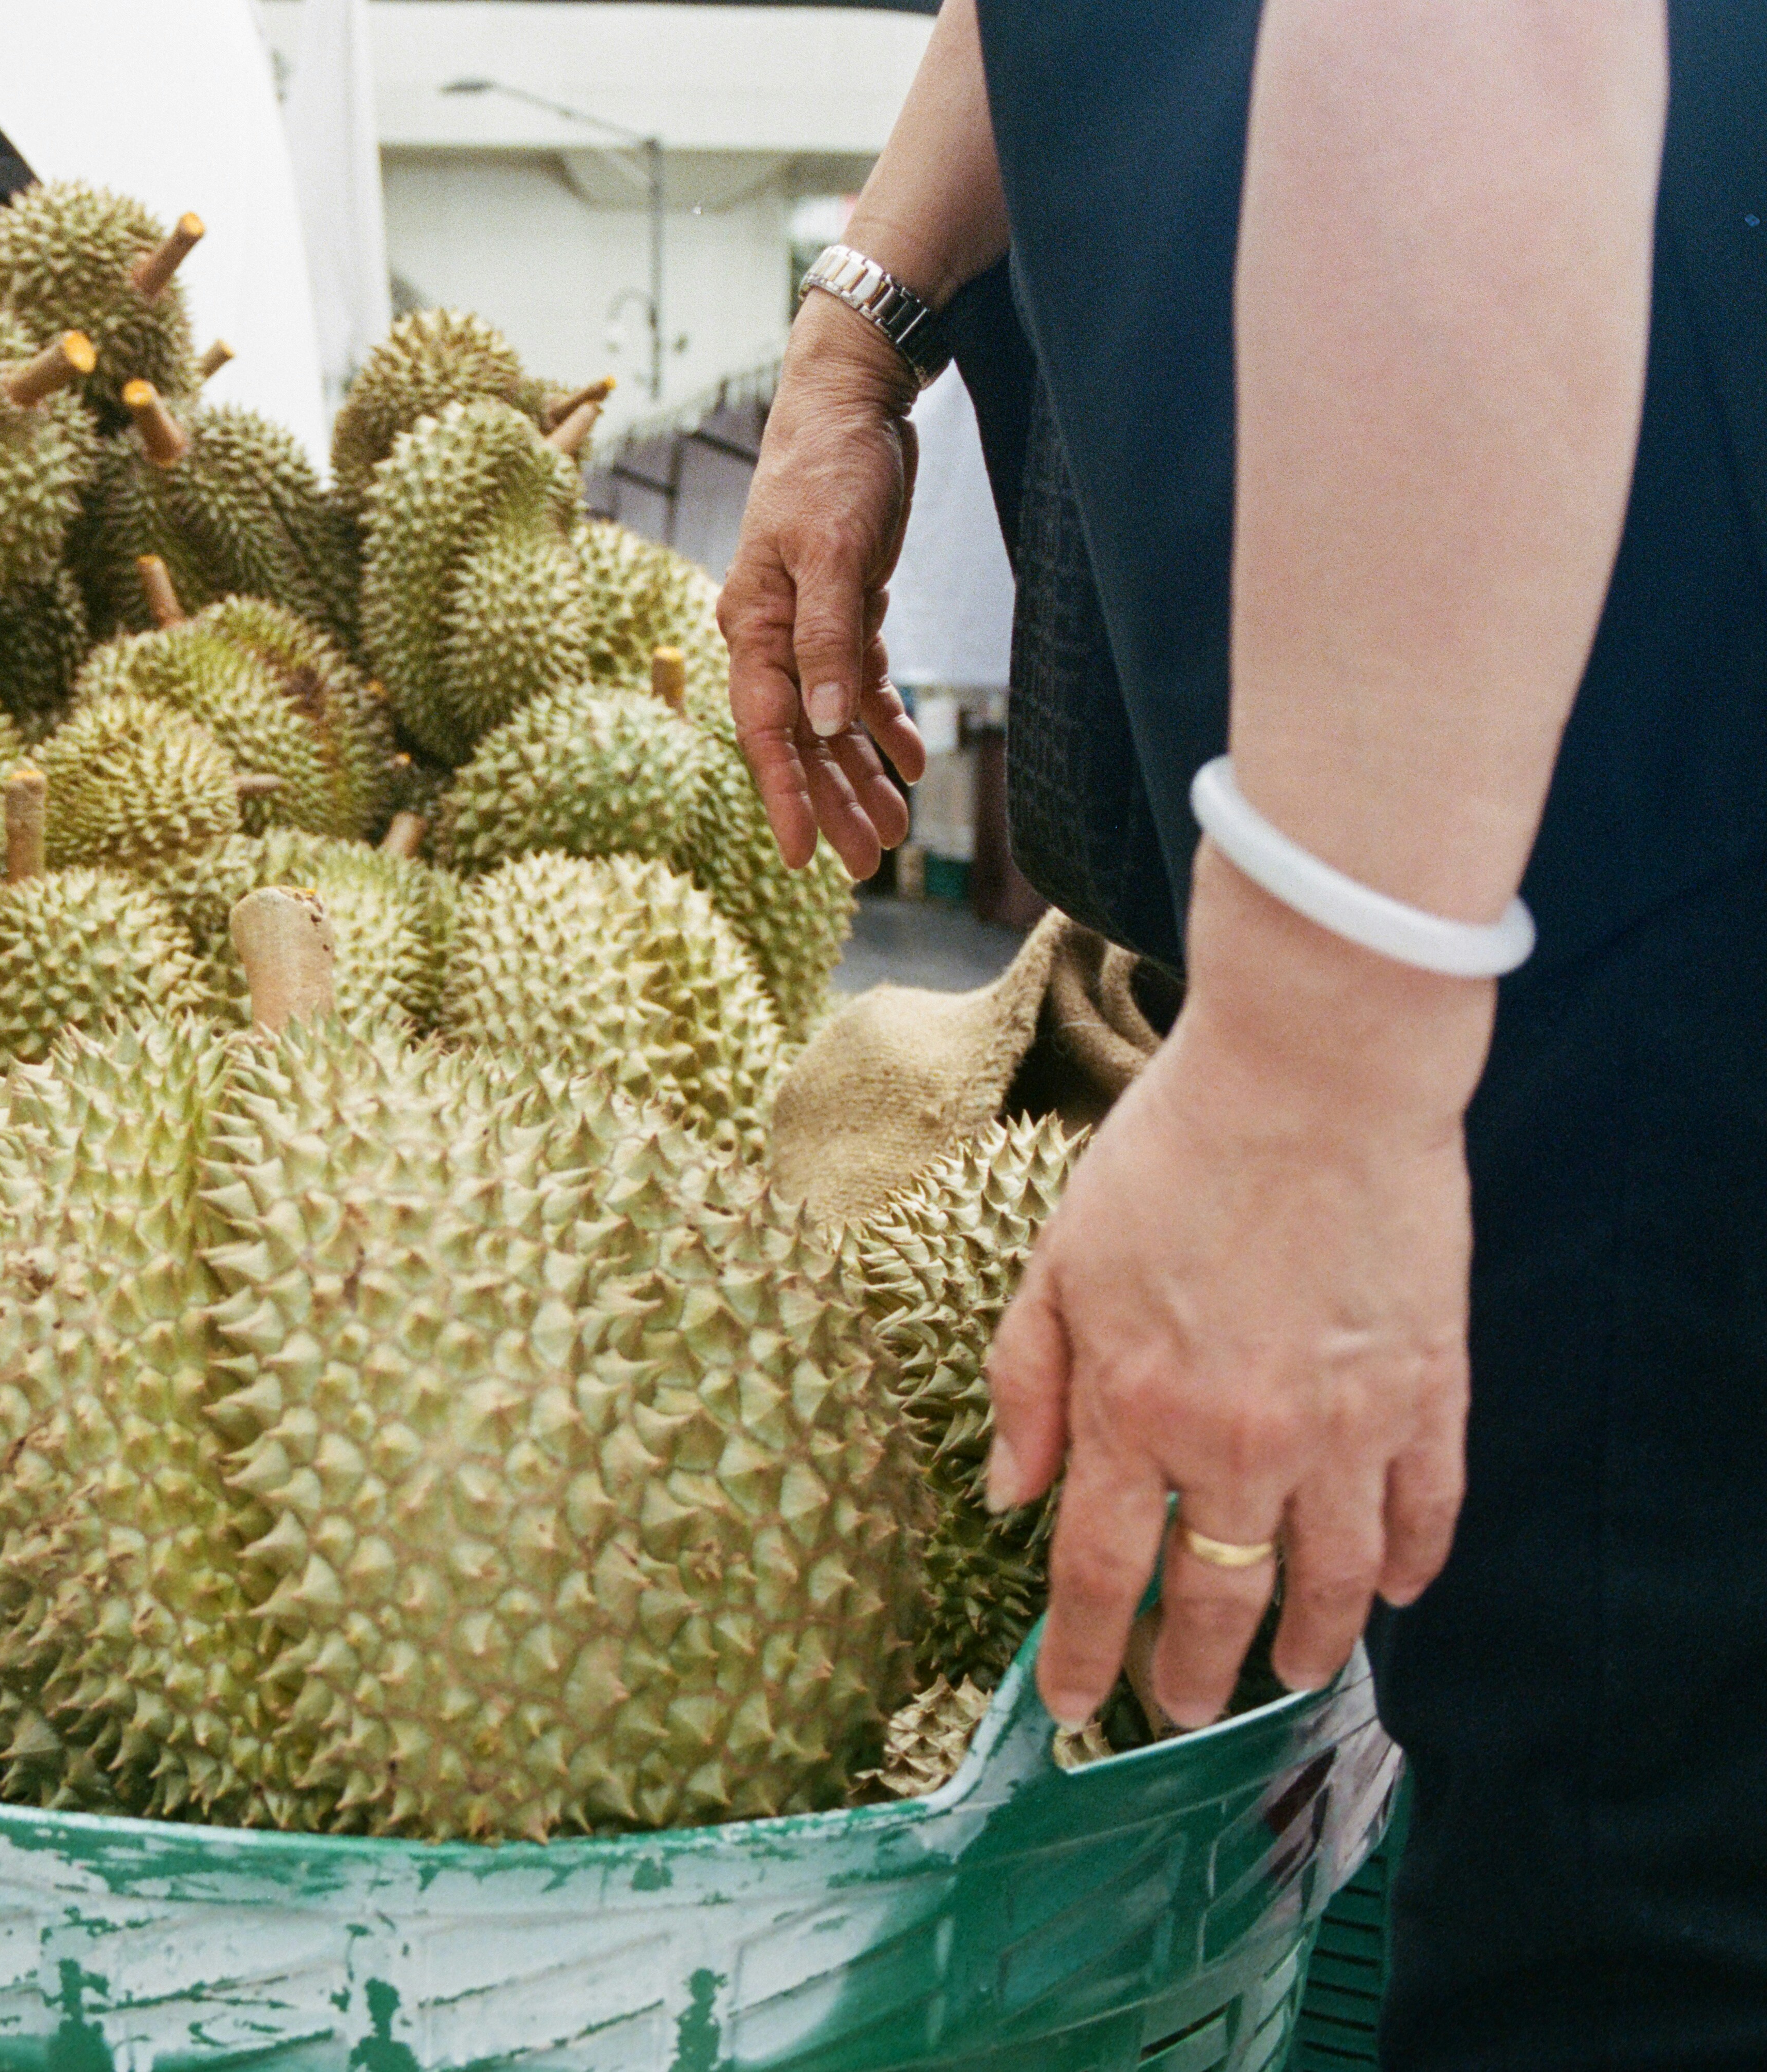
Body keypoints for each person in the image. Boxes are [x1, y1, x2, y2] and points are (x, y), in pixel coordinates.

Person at [721, 2, 1767, 2060]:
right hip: (1482, 759)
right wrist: (863, 328)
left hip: (1612, 735)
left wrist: (1324, 1041)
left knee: (1637, 1879)